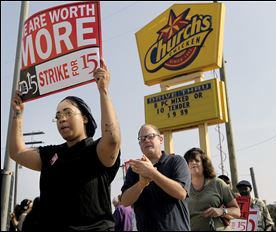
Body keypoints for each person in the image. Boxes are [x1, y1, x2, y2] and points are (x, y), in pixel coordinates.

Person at [9, 58, 121, 230]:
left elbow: (112, 138)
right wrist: (18, 115)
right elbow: (17, 152)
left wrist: (103, 90)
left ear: (84, 118)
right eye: (58, 115)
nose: (62, 119)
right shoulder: (51, 155)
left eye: (68, 113)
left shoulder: (97, 151)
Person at [120, 124, 191, 231]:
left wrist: (152, 172)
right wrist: (141, 184)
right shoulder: (135, 169)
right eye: (142, 139)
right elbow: (125, 201)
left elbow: (181, 193)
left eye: (150, 136)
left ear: (161, 139)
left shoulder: (176, 161)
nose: (146, 140)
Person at [184, 147, 240, 231]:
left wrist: (221, 211)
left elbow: (237, 211)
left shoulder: (218, 183)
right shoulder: (183, 188)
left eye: (197, 160)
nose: (193, 163)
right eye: (190, 161)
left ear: (204, 164)